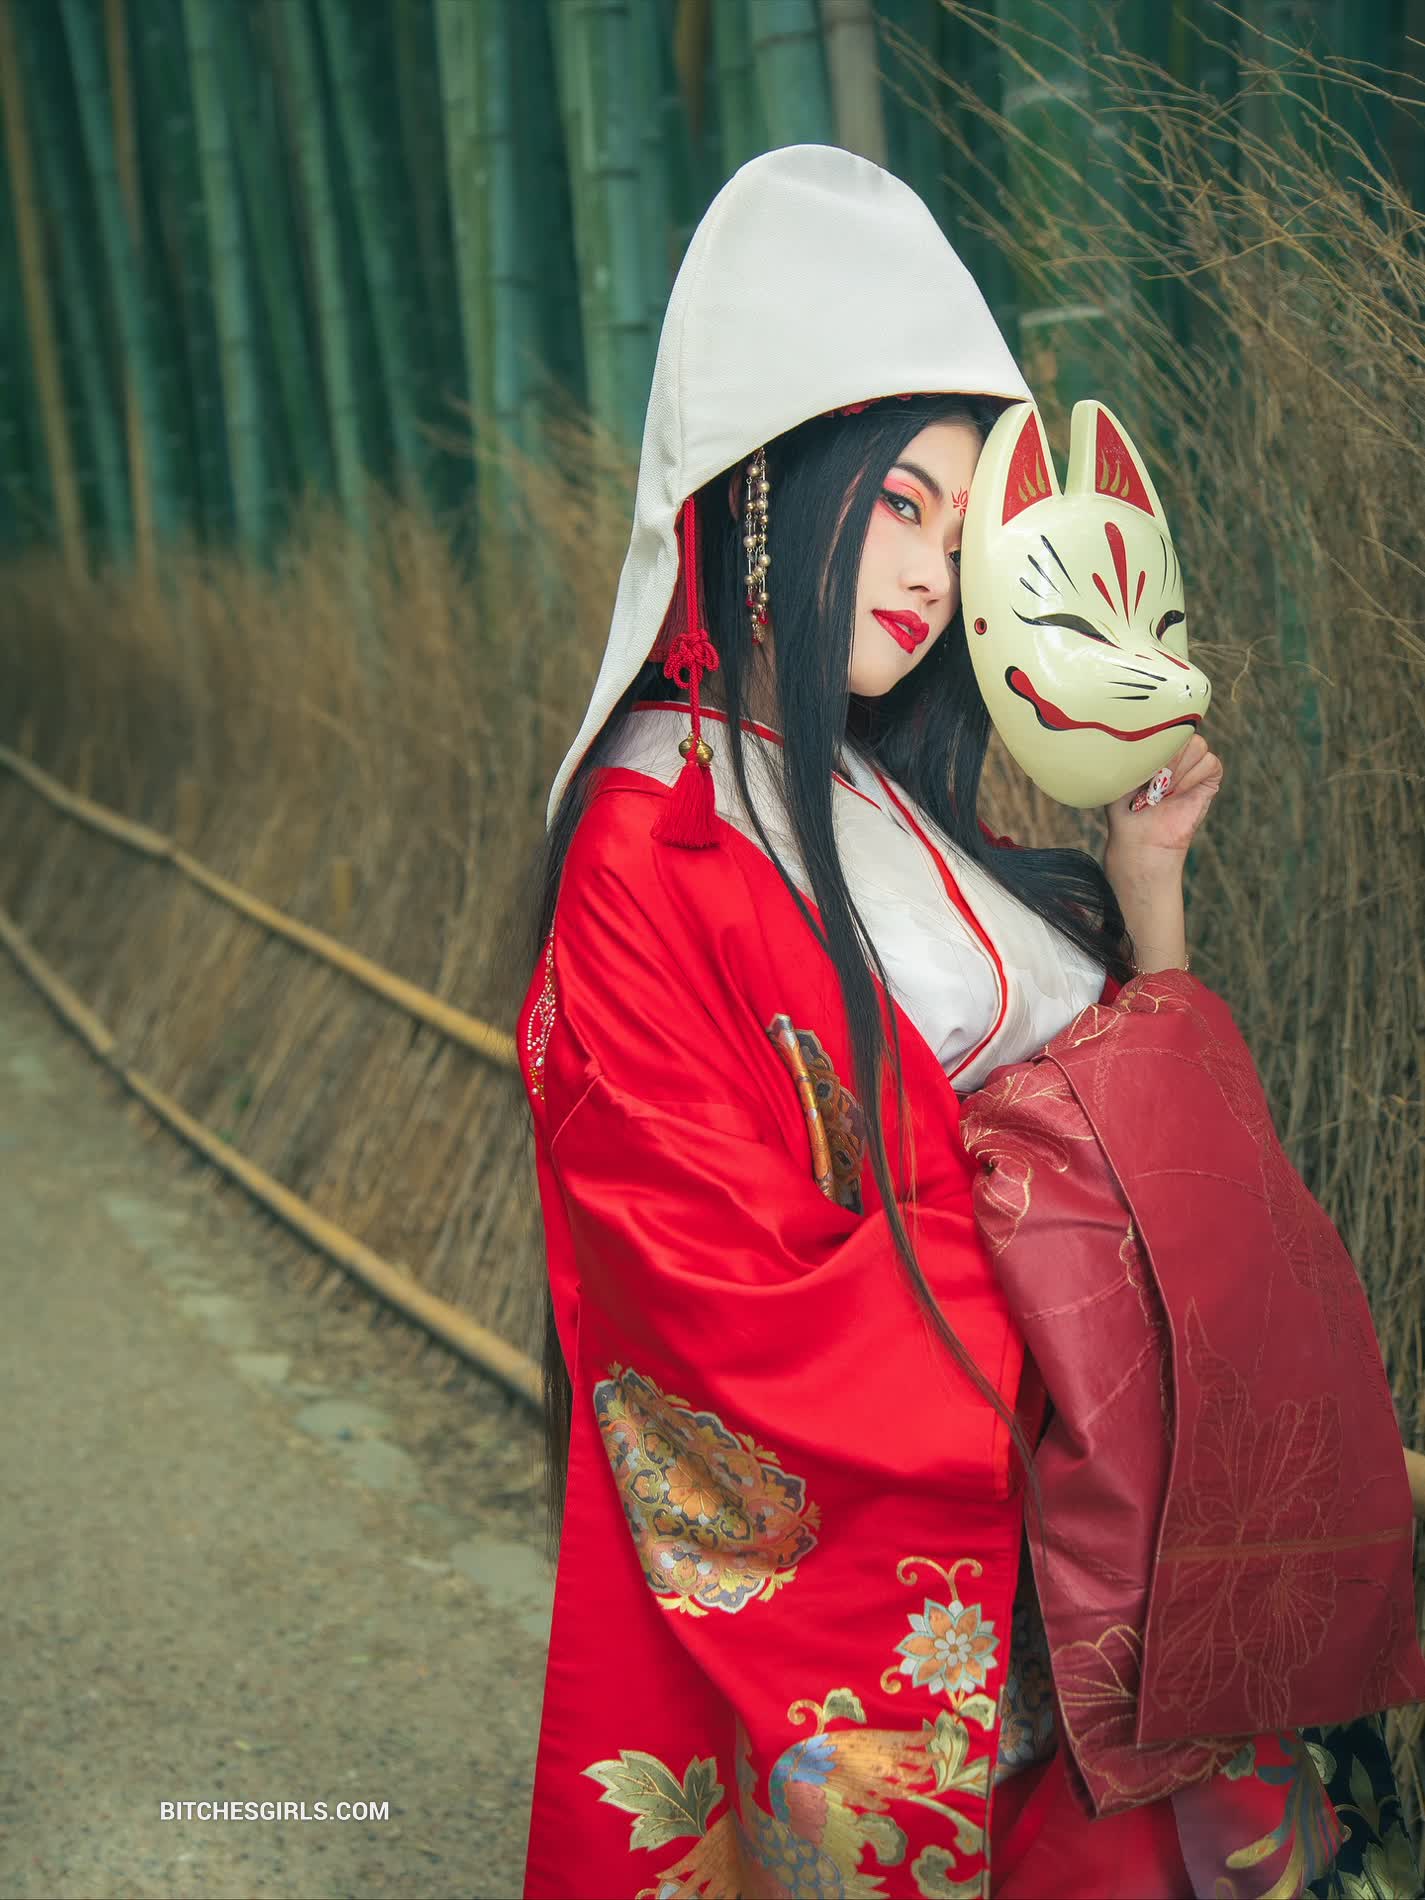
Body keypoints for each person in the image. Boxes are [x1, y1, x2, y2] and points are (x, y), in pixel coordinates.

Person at [516, 146, 1424, 1899]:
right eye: (897, 505)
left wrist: (1143, 881)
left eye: (958, 524)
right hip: (969, 1522)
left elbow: (1120, 1122)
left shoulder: (886, 796)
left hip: (1090, 1506)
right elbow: (706, 1289)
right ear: (763, 494)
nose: (933, 571)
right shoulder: (653, 840)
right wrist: (1088, 1345)